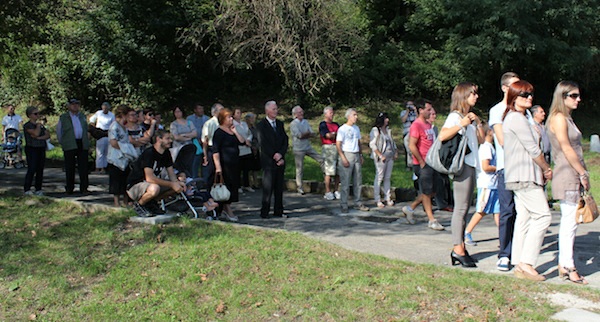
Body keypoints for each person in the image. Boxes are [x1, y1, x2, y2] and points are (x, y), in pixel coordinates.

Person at [503, 80, 552, 281]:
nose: (529, 98)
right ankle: (527, 262)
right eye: (524, 95)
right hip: (523, 175)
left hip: (522, 174)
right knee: (543, 216)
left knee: (524, 218)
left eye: (531, 94)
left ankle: (518, 262)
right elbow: (533, 149)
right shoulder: (516, 118)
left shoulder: (524, 117)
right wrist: (546, 168)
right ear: (514, 97)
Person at [547, 81, 589, 285]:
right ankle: (567, 265)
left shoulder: (566, 118)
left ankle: (566, 263)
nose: (578, 99)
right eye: (573, 95)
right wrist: (582, 173)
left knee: (571, 222)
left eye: (578, 95)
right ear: (562, 97)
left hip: (572, 172)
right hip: (566, 173)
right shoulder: (558, 118)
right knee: (569, 222)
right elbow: (566, 147)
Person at [439, 83, 485, 268]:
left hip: (472, 165)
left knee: (465, 208)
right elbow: (442, 136)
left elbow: (481, 141)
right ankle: (457, 249)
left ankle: (461, 248)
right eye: (472, 94)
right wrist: (462, 124)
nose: (476, 97)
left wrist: (478, 123)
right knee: (460, 208)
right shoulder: (455, 117)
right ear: (463, 96)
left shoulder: (469, 117)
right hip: (463, 166)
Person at [489, 71, 520, 271]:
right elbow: (502, 140)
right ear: (504, 88)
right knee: (507, 210)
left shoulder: (522, 110)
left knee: (523, 211)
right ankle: (505, 253)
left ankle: (519, 250)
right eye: (514, 86)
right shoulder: (497, 110)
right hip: (506, 167)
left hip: (524, 168)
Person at [401, 99, 445, 230]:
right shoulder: (416, 125)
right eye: (428, 109)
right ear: (420, 110)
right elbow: (412, 145)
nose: (431, 112)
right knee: (426, 191)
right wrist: (421, 162)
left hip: (432, 162)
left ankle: (410, 208)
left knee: (434, 190)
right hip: (423, 163)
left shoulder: (427, 125)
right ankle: (431, 219)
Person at [127, 129, 186, 217]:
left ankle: (151, 203)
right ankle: (139, 205)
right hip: (135, 185)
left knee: (176, 186)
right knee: (155, 188)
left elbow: (171, 174)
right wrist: (171, 184)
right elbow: (149, 178)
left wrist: (178, 183)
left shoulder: (166, 153)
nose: (170, 141)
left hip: (149, 184)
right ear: (159, 139)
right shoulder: (149, 153)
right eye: (167, 138)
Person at [464, 124, 500, 246]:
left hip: (494, 185)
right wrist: (499, 168)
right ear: (489, 132)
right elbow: (486, 167)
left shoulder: (491, 147)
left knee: (498, 211)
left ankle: (503, 235)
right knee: (482, 210)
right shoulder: (486, 148)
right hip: (487, 184)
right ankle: (467, 232)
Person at [256, 101, 289, 218]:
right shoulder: (261, 125)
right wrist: (274, 155)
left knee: (279, 188)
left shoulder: (279, 124)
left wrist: (281, 154)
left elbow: (285, 140)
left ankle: (278, 210)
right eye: (274, 109)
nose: (276, 111)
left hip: (280, 160)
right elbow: (263, 144)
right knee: (268, 188)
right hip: (269, 161)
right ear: (267, 111)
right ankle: (264, 212)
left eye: (276, 109)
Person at [213, 108, 246, 222]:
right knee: (226, 186)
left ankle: (221, 210)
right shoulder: (218, 132)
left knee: (233, 186)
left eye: (232, 117)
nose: (231, 119)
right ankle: (227, 209)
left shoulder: (232, 131)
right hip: (224, 164)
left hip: (235, 163)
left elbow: (242, 141)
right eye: (229, 117)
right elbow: (215, 151)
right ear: (222, 119)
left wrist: (236, 131)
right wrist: (218, 167)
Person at [336, 108, 369, 213]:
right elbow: (338, 144)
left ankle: (358, 202)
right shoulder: (342, 129)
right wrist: (343, 157)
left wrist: (360, 154)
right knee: (345, 181)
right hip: (347, 153)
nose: (356, 117)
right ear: (349, 116)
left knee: (358, 180)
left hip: (356, 154)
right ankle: (344, 203)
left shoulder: (356, 128)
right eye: (354, 115)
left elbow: (358, 142)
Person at [57, 98, 90, 194]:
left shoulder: (82, 116)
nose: (75, 106)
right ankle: (69, 188)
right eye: (73, 104)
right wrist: (62, 142)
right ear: (69, 106)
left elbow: (86, 129)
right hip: (69, 142)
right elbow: (59, 131)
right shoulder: (64, 117)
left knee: (83, 167)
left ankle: (84, 188)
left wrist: (87, 142)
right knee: (69, 166)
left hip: (81, 142)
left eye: (77, 104)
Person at [107, 105, 137, 207]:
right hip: (116, 156)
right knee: (116, 179)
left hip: (126, 157)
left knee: (126, 179)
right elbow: (113, 142)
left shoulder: (124, 127)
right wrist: (124, 149)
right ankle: (116, 202)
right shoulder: (114, 126)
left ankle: (125, 201)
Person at [290, 105, 324, 195]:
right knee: (299, 168)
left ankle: (327, 176)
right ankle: (299, 187)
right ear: (295, 114)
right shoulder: (293, 124)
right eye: (299, 112)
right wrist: (307, 134)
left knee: (321, 159)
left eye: (302, 112)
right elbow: (299, 135)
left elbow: (312, 133)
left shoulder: (305, 122)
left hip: (307, 147)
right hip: (298, 149)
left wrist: (307, 134)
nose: (302, 113)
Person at [369, 112, 398, 208]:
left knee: (387, 177)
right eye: (386, 118)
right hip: (381, 157)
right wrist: (380, 155)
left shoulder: (388, 130)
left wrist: (395, 151)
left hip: (390, 156)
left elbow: (392, 142)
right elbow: (373, 144)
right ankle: (377, 199)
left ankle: (387, 197)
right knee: (379, 177)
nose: (387, 120)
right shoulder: (376, 130)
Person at [429, 108, 453, 212]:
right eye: (432, 114)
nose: (435, 116)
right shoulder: (422, 127)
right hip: (429, 158)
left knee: (443, 180)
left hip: (437, 157)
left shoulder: (434, 128)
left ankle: (446, 202)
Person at [23, 106, 50, 195]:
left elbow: (47, 135)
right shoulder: (27, 125)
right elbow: (35, 133)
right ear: (30, 115)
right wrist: (38, 127)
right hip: (32, 148)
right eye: (35, 114)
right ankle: (27, 188)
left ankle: (38, 188)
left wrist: (39, 138)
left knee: (40, 169)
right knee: (32, 168)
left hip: (41, 147)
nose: (37, 115)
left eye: (38, 113)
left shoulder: (40, 125)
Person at [319, 106, 340, 200]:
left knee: (338, 171)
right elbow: (327, 135)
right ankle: (327, 191)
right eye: (330, 113)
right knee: (329, 170)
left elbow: (341, 135)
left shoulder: (336, 124)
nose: (332, 115)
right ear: (325, 114)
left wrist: (334, 134)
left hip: (337, 147)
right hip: (328, 148)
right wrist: (334, 134)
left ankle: (336, 190)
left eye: (332, 113)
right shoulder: (323, 124)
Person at [201, 103, 224, 185]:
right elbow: (205, 140)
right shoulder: (209, 123)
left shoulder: (223, 122)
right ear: (215, 112)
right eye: (221, 110)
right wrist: (205, 155)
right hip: (212, 148)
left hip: (223, 148)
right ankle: (210, 191)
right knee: (212, 171)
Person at [89, 102, 115, 173]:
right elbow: (91, 120)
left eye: (106, 108)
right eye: (103, 108)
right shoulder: (99, 113)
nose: (105, 109)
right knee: (99, 152)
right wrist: (94, 129)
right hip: (99, 133)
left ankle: (104, 168)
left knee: (106, 152)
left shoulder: (111, 115)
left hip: (107, 133)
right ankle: (98, 168)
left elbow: (113, 124)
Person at [233, 108, 254, 192]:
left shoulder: (244, 124)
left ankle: (246, 185)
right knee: (238, 169)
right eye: (237, 113)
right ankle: (238, 186)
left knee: (246, 168)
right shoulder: (233, 125)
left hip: (247, 148)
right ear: (234, 115)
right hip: (239, 148)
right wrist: (244, 141)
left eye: (240, 113)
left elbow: (249, 133)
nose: (239, 114)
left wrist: (248, 140)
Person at [187, 104, 209, 179]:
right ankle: (194, 182)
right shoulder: (189, 119)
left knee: (205, 164)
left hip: (205, 144)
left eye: (202, 108)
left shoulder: (207, 118)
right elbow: (189, 131)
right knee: (195, 164)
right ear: (195, 110)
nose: (201, 110)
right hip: (195, 143)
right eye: (199, 109)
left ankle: (205, 182)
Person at [245, 112, 261, 189]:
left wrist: (257, 147)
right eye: (252, 118)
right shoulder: (245, 128)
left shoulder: (255, 128)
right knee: (248, 167)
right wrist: (252, 147)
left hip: (256, 148)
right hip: (248, 148)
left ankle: (256, 182)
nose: (253, 120)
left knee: (255, 167)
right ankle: (249, 183)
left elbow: (258, 138)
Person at [400, 100, 417, 168]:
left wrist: (415, 110)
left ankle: (414, 163)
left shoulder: (416, 113)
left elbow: (419, 119)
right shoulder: (403, 112)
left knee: (414, 148)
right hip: (407, 132)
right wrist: (407, 111)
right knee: (408, 149)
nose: (410, 107)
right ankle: (408, 164)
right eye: (408, 105)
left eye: (411, 105)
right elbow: (403, 120)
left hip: (415, 132)